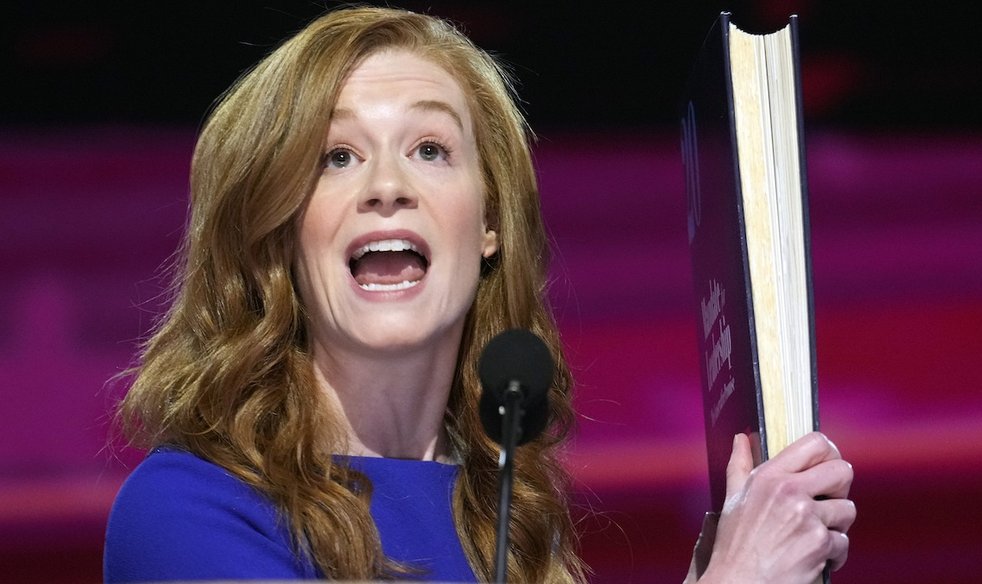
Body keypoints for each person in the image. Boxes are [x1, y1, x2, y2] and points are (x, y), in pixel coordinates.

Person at [104, 6, 854, 583]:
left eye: (430, 149)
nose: (388, 187)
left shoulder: (511, 524)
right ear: (276, 229)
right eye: (336, 156)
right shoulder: (185, 510)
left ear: (489, 222)